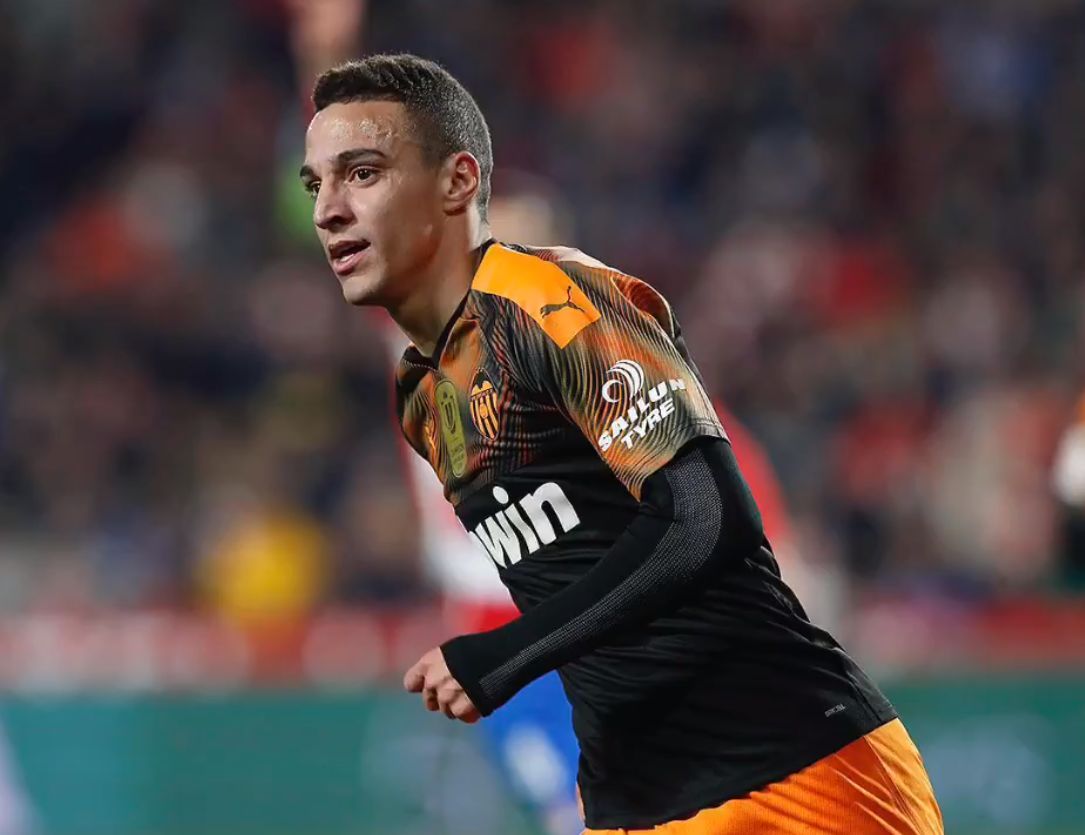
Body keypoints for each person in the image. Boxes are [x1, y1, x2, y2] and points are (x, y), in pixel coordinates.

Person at [299, 53, 943, 835]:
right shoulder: (424, 388)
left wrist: (503, 654)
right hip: (628, 775)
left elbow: (708, 518)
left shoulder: (569, 315)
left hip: (779, 761)